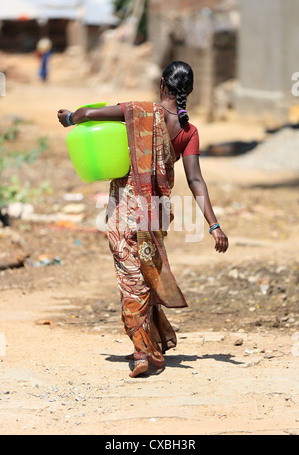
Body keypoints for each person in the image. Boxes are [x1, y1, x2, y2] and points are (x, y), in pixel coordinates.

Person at [57, 61, 228, 378]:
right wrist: (213, 225)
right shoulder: (188, 132)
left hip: (128, 212)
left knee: (131, 277)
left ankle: (143, 352)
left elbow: (86, 115)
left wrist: (67, 118)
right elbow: (196, 181)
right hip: (158, 213)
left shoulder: (139, 111)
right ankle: (154, 341)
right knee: (146, 271)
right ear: (187, 91)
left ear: (163, 84)